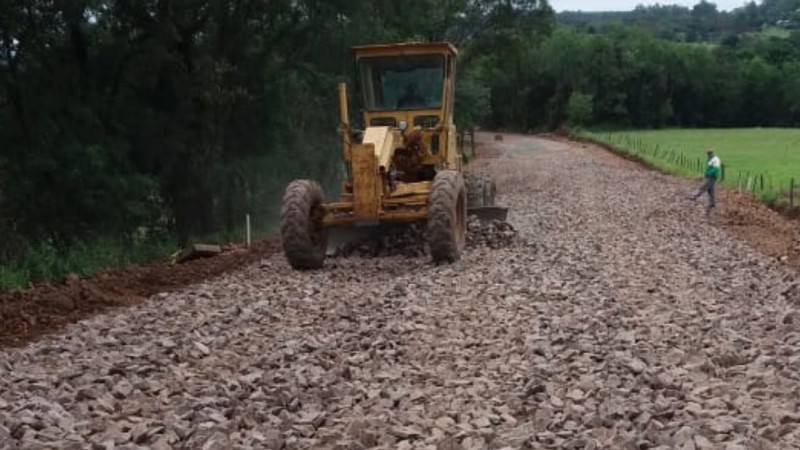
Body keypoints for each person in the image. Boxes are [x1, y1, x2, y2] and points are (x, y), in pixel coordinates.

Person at [689, 150, 721, 214]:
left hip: (712, 177)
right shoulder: (711, 159)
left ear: (711, 154)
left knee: (703, 187)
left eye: (708, 154)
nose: (708, 155)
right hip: (709, 177)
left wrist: (709, 174)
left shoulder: (715, 159)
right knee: (710, 190)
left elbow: (716, 169)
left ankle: (694, 196)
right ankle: (712, 203)